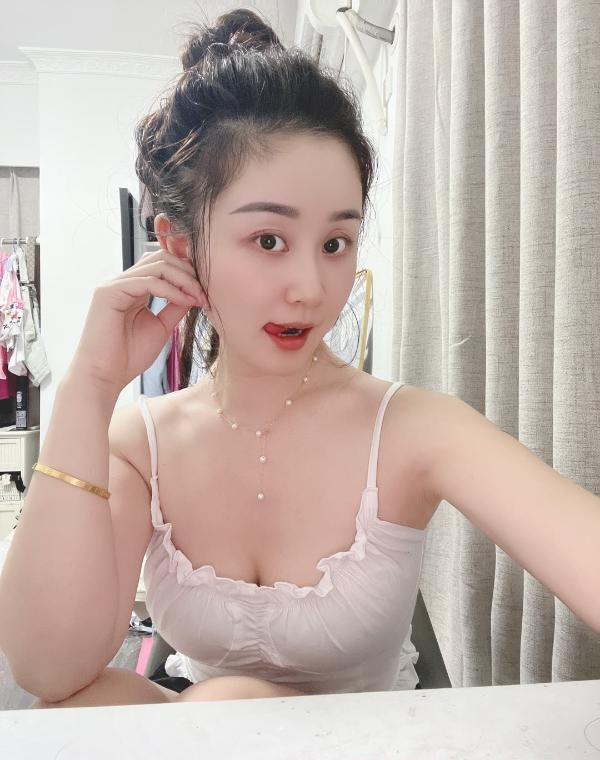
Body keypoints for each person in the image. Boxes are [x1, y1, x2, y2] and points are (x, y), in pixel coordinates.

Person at [1, 8, 599, 710]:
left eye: (335, 244)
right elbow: (48, 669)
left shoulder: (413, 429)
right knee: (98, 704)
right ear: (181, 245)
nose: (312, 289)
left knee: (224, 700)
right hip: (212, 740)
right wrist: (89, 384)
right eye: (269, 240)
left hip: (369, 745)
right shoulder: (142, 444)